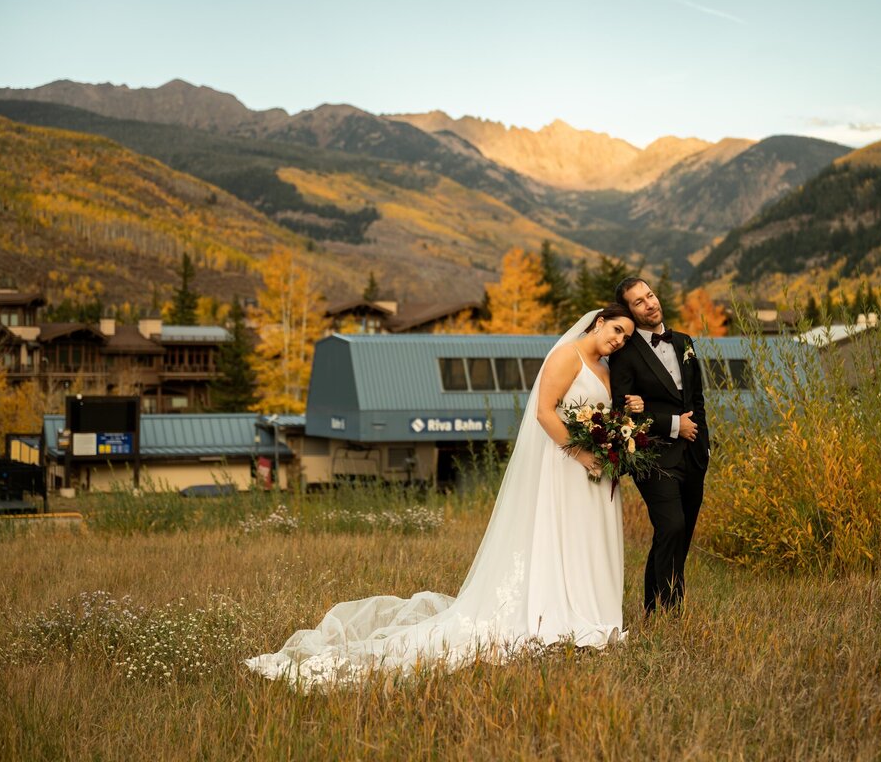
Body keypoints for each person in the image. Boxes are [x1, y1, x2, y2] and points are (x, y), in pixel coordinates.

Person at [244, 305, 637, 689]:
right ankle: (554, 611)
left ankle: (592, 612)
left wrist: (622, 423)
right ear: (599, 322)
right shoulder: (565, 357)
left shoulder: (607, 369)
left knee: (587, 540)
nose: (619, 340)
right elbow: (544, 413)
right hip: (566, 464)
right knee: (559, 537)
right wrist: (582, 453)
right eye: (617, 330)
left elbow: (606, 414)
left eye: (627, 337)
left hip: (596, 469)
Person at [610, 277, 709, 615]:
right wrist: (672, 425)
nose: (649, 303)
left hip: (693, 455)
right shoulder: (624, 354)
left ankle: (658, 610)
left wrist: (705, 448)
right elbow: (621, 412)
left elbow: (697, 399)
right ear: (630, 311)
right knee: (671, 525)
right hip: (652, 457)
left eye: (649, 295)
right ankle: (668, 610)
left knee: (680, 534)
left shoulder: (684, 342)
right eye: (638, 302)